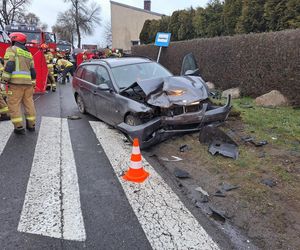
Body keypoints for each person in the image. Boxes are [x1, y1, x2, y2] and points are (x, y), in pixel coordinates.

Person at [2, 32, 37, 134]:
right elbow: (33, 71)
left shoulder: (11, 49)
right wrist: (33, 83)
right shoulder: (28, 53)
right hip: (28, 84)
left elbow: (9, 65)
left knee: (14, 105)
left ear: (13, 39)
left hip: (15, 84)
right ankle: (31, 126)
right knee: (29, 104)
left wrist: (3, 81)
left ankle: (19, 127)